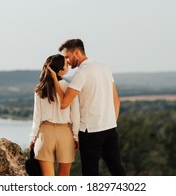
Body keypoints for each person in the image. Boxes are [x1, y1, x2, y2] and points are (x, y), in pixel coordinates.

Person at [48, 39, 125, 176]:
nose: (66, 61)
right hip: (110, 129)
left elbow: (64, 103)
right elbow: (116, 101)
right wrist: (111, 123)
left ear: (76, 52)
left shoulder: (81, 74)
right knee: (117, 170)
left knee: (90, 174)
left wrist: (55, 79)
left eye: (67, 57)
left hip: (90, 133)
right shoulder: (105, 68)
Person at [29, 54, 80, 176]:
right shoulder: (69, 88)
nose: (68, 65)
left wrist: (32, 138)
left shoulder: (40, 89)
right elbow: (75, 116)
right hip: (65, 133)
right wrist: (76, 137)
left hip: (45, 133)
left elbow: (37, 117)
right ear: (61, 72)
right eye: (66, 65)